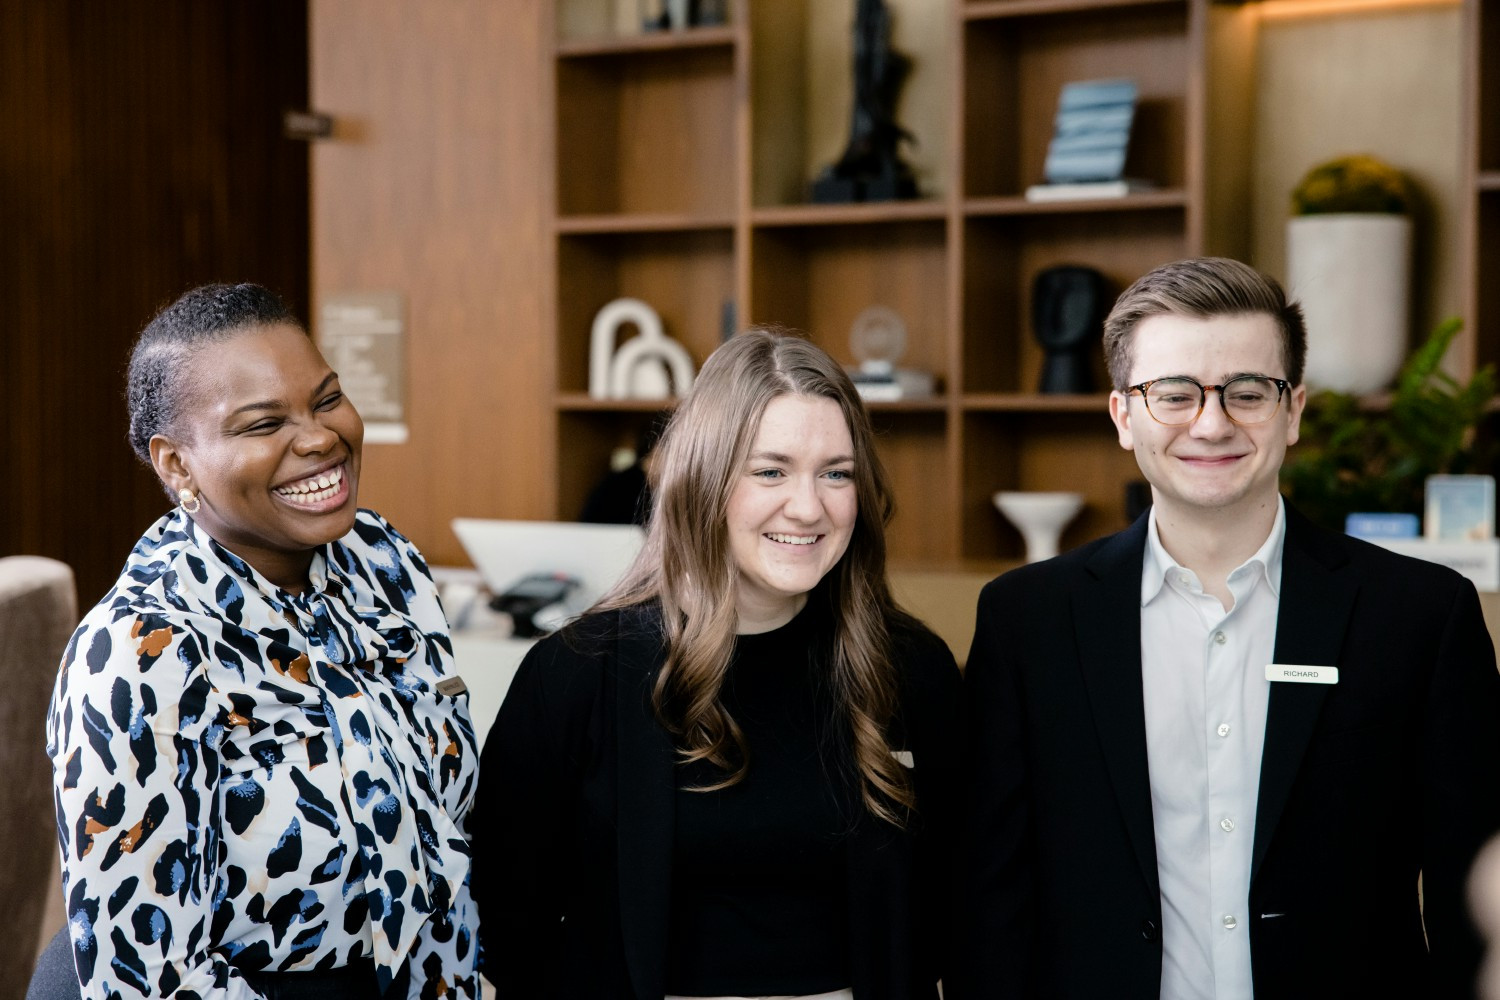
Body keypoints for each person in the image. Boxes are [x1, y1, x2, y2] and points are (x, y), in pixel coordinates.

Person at [954, 257, 1500, 999]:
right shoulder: (1029, 620)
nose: (1211, 424)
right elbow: (994, 896)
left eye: (1248, 392)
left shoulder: (1421, 615)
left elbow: (1474, 891)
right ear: (1123, 415)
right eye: (1173, 395)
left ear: (1294, 409)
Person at [472, 329, 961, 999]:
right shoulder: (576, 675)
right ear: (703, 479)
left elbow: (964, 899)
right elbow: (508, 918)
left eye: (836, 472)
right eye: (771, 470)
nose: (809, 506)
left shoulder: (911, 668)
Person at [40, 285, 479, 1000]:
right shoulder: (136, 651)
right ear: (176, 465)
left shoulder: (387, 562)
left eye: (327, 399)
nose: (318, 438)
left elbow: (438, 846)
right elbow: (151, 979)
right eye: (261, 424)